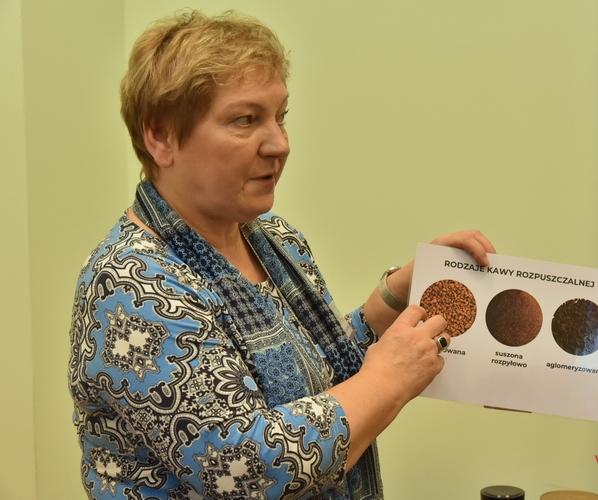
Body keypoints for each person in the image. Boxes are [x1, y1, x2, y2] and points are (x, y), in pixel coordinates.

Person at [68, 10, 495, 499]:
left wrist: (393, 298)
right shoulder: (131, 285)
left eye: (280, 116)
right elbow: (243, 469)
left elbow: (320, 380)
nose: (280, 143)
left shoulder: (274, 239)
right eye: (245, 120)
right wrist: (388, 380)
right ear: (160, 136)